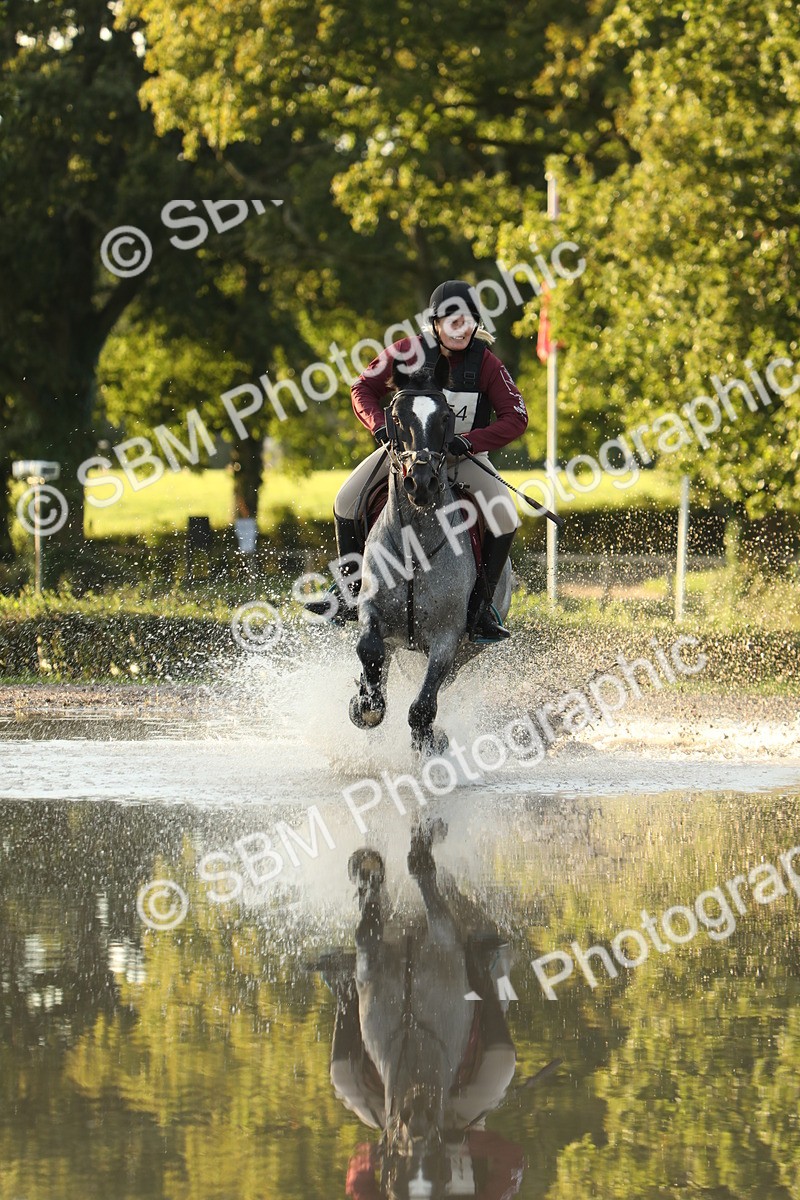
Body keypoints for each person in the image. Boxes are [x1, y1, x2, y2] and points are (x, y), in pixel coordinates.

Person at [307, 280, 528, 641]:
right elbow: (362, 387)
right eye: (453, 320)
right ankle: (349, 590)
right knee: (346, 501)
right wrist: (380, 427)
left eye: (469, 320)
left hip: (462, 457)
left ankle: (482, 608)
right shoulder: (407, 350)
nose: (462, 328)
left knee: (505, 515)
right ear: (435, 323)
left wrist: (469, 442)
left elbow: (516, 418)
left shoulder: (486, 364)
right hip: (406, 453)